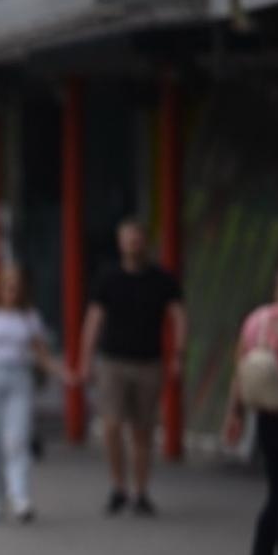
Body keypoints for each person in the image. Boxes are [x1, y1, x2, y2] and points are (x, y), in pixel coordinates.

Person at [79, 218, 186, 516]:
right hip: (113, 361)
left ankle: (141, 491)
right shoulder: (108, 278)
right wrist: (85, 359)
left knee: (143, 430)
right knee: (111, 425)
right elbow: (94, 320)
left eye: (137, 239)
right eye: (127, 239)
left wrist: (178, 354)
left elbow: (178, 317)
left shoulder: (162, 280)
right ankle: (118, 487)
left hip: (149, 362)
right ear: (119, 243)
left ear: (145, 241)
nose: (133, 244)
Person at [0, 265, 74, 523]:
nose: (11, 289)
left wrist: (64, 373)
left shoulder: (29, 317)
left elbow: (41, 354)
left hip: (20, 379)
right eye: (6, 284)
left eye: (15, 284)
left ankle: (21, 497)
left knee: (17, 438)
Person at [224, 250, 278, 555]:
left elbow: (240, 370)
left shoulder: (256, 320)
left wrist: (234, 413)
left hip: (266, 417)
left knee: (274, 489)